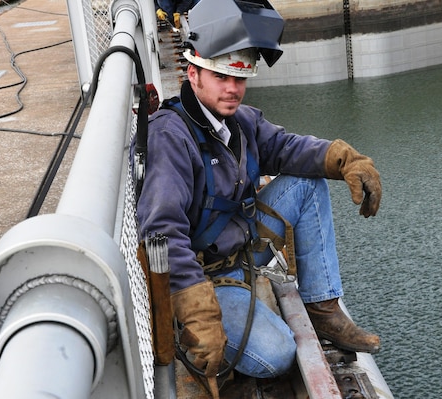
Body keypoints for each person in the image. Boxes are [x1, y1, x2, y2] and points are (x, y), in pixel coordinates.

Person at [134, 0, 382, 389]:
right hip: (205, 275)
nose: (233, 89)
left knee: (307, 181)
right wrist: (199, 315)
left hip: (242, 246)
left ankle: (324, 308)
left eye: (241, 79)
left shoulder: (241, 121)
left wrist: (344, 159)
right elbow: (160, 230)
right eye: (222, 77)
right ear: (194, 73)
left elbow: (288, 149)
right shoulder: (172, 136)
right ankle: (203, 324)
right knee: (278, 355)